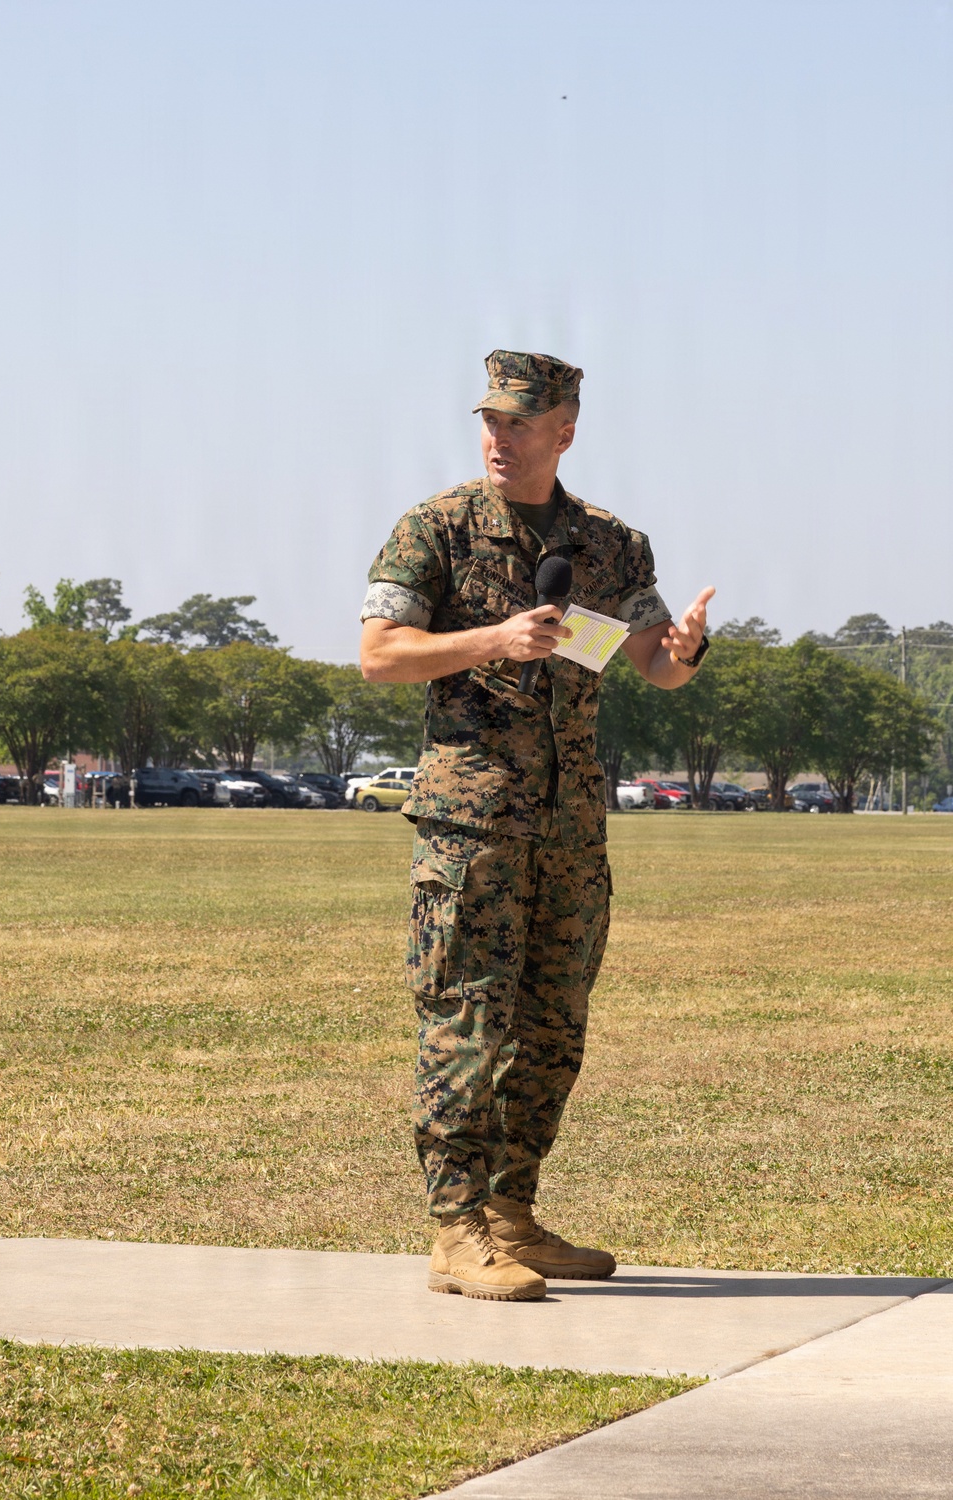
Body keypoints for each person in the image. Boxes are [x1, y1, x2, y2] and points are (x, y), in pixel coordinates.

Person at [360, 350, 714, 1302]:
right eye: (489, 420)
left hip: (570, 833)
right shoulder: (434, 528)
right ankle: (457, 1229)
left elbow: (651, 662)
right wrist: (493, 638)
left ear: (564, 429)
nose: (498, 438)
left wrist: (684, 650)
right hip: (471, 829)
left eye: (518, 423)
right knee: (466, 1022)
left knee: (553, 1029)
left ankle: (513, 1215)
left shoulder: (609, 544)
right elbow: (380, 655)